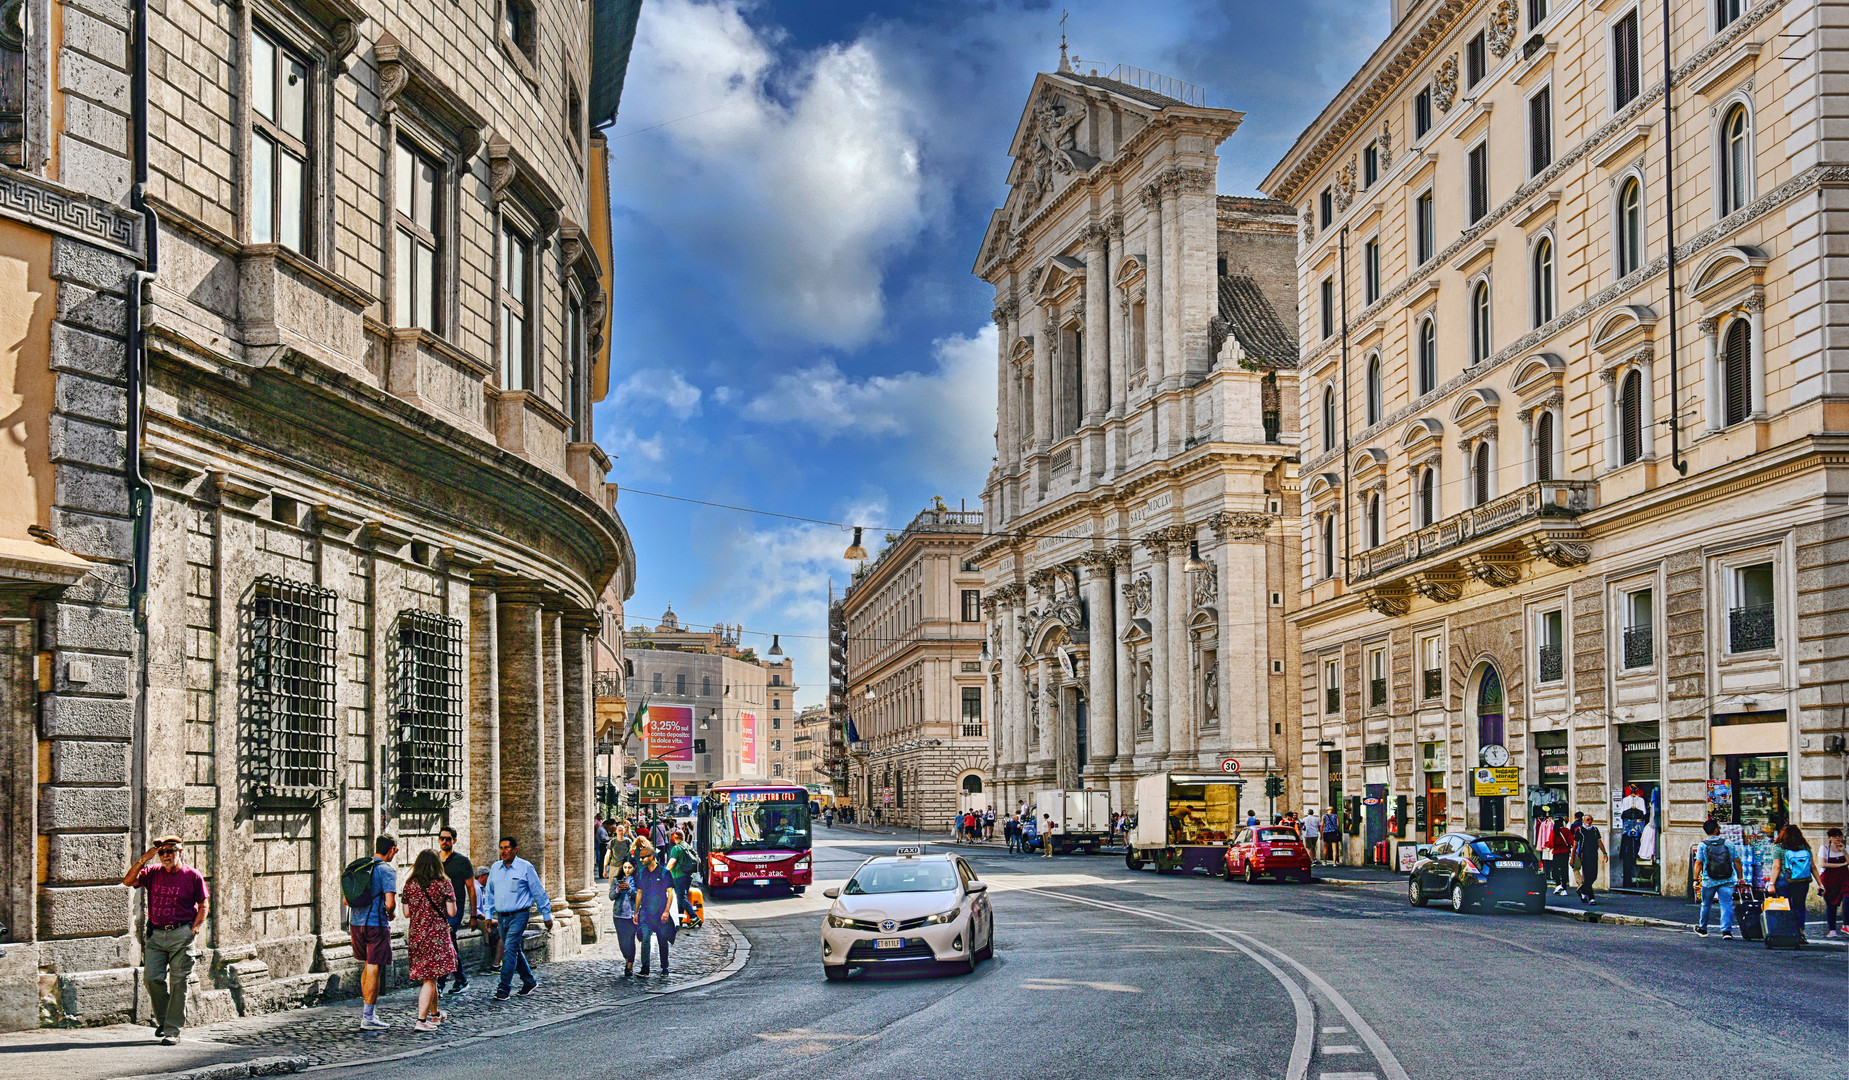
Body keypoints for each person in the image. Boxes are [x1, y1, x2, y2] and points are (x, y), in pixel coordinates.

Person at [123, 833, 209, 1045]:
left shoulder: (193, 875)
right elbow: (128, 881)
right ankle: (164, 1021)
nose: (165, 856)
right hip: (156, 935)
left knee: (179, 982)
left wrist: (194, 929)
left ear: (180, 852)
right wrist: (144, 858)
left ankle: (172, 1031)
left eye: (170, 851)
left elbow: (204, 905)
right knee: (152, 979)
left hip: (182, 934)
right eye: (162, 853)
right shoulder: (152, 872)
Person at [483, 835, 553, 1000]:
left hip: (519, 914)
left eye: (507, 848)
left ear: (515, 850)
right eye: (501, 848)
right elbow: (490, 893)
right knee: (514, 948)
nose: (503, 851)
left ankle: (504, 989)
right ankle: (529, 981)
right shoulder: (495, 868)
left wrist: (546, 915)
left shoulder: (525, 867)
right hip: (502, 916)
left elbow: (538, 891)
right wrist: (488, 914)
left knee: (509, 950)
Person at [403, 850, 458, 1031]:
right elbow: (451, 912)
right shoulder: (444, 884)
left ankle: (435, 1015)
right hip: (436, 936)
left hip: (416, 935)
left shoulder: (410, 884)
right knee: (429, 979)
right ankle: (421, 1020)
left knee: (431, 976)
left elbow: (406, 913)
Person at [348, 835, 398, 1029]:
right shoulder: (387, 870)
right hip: (376, 924)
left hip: (356, 923)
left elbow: (347, 899)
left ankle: (367, 1013)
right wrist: (391, 914)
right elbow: (390, 902)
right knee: (374, 967)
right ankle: (368, 1017)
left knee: (367, 966)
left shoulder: (359, 867)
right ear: (392, 849)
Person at [434, 827, 475, 994]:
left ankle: (440, 984)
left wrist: (473, 914)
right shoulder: (435, 860)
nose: (445, 841)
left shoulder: (462, 861)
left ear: (454, 841)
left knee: (445, 941)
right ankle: (461, 979)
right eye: (442, 838)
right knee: (449, 944)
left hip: (454, 910)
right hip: (437, 909)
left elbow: (471, 888)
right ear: (439, 840)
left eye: (448, 839)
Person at [1693, 817, 1746, 939]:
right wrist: (1740, 877)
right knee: (1726, 904)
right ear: (1716, 830)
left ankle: (1703, 929)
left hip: (1709, 880)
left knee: (1706, 904)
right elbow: (1737, 861)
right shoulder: (1728, 843)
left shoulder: (1702, 845)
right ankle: (1726, 931)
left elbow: (1698, 863)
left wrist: (1696, 880)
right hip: (1727, 879)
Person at [632, 839, 677, 976]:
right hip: (646, 911)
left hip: (660, 911)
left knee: (662, 940)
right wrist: (636, 912)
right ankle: (645, 968)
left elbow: (670, 893)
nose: (641, 860)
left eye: (643, 857)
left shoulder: (664, 873)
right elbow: (639, 893)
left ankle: (665, 968)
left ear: (651, 857)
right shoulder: (641, 873)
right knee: (645, 938)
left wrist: (666, 911)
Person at [1767, 824, 1815, 937]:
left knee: (1785, 906)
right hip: (1802, 881)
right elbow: (1812, 866)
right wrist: (1820, 883)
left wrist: (1771, 884)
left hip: (1784, 880)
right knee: (1800, 906)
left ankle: (1787, 931)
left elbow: (1776, 867)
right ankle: (1800, 931)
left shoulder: (1778, 847)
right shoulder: (1804, 847)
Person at [610, 859, 640, 976]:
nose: (627, 870)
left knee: (630, 939)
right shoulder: (616, 880)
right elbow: (611, 896)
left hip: (631, 914)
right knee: (622, 941)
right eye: (625, 867)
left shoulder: (637, 880)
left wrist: (629, 889)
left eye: (630, 868)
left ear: (634, 868)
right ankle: (627, 957)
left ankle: (630, 964)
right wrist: (618, 889)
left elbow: (639, 895)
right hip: (618, 914)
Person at [1818, 828, 1848, 939]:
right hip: (1829, 880)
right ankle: (1832, 929)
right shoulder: (1824, 849)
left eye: (1839, 836)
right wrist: (1841, 865)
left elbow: (1848, 862)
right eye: (1835, 836)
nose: (1838, 838)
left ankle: (1846, 925)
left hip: (1844, 878)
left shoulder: (1846, 848)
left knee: (1847, 899)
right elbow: (1823, 864)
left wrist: (1844, 851)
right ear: (1829, 838)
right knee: (1831, 904)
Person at [662, 829, 696, 922]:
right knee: (681, 898)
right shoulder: (688, 846)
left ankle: (694, 917)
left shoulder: (676, 848)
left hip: (678, 876)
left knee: (680, 898)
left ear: (675, 838)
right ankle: (680, 919)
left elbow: (672, 862)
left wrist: (664, 873)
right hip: (688, 875)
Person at [472, 864, 498, 973]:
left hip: (482, 918)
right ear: (483, 876)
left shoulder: (480, 887)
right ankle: (495, 963)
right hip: (478, 920)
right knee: (500, 932)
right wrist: (490, 920)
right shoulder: (477, 888)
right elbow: (476, 911)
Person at [1575, 815, 1607, 904]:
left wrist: (1604, 853)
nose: (1590, 821)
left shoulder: (1595, 830)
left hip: (1593, 854)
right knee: (1588, 876)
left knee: (1594, 876)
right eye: (1588, 820)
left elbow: (1599, 842)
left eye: (1591, 819)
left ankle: (1582, 890)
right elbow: (1575, 845)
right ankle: (1591, 898)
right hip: (1584, 855)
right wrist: (1573, 857)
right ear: (1584, 821)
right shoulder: (1580, 830)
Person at [1545, 813, 1574, 895]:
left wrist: (1547, 845)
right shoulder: (1567, 831)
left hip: (1556, 852)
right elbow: (1571, 841)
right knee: (1564, 870)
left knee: (1555, 870)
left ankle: (1558, 885)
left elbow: (1551, 843)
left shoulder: (1554, 831)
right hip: (1565, 852)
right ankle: (1564, 888)